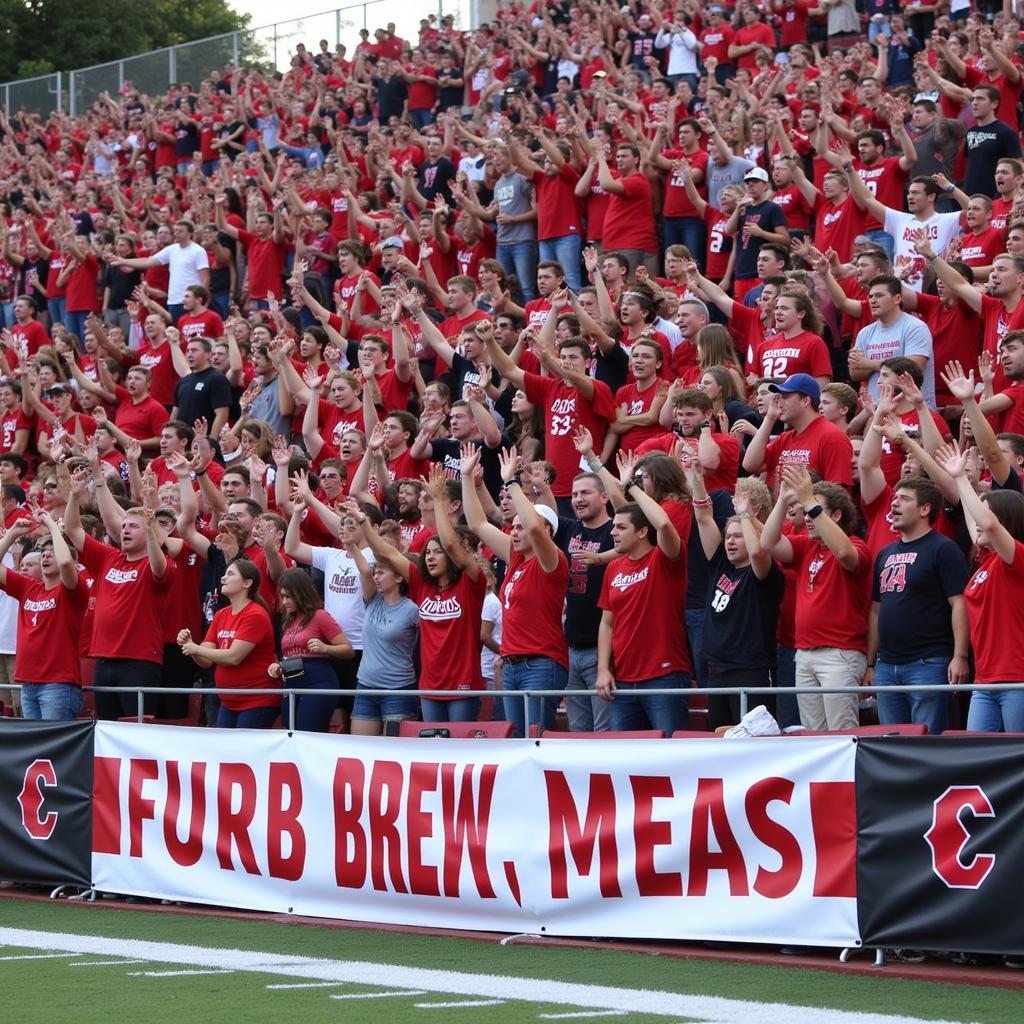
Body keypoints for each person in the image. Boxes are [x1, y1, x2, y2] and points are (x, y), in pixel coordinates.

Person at [359, 466, 486, 723]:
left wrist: (438, 499)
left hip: (462, 686)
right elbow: (388, 554)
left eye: (436, 552)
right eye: (427, 553)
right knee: (433, 752)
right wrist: (363, 524)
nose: (430, 557)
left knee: (457, 752)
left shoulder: (470, 582)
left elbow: (450, 542)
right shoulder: (421, 584)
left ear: (451, 557)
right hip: (428, 686)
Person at [462, 444, 568, 737]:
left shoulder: (552, 561)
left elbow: (534, 529)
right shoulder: (516, 558)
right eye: (514, 527)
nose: (515, 532)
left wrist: (511, 483)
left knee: (533, 742)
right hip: (511, 665)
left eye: (521, 527)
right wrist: (466, 477)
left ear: (548, 532)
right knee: (516, 743)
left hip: (541, 664)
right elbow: (477, 523)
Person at [761, 465, 872, 731]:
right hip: (805, 653)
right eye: (807, 510)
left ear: (836, 515)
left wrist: (810, 500)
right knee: (814, 737)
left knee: (841, 736)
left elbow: (845, 553)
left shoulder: (856, 545)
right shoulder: (807, 546)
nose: (807, 517)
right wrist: (783, 500)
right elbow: (768, 543)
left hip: (839, 654)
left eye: (813, 511)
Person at [64, 470, 174, 721]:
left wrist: (150, 531)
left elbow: (159, 568)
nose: (125, 530)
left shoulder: (159, 563)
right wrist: (73, 494)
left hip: (139, 662)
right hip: (103, 660)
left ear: (147, 531)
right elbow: (72, 528)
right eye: (123, 526)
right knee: (107, 729)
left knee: (138, 730)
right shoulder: (107, 557)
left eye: (133, 526)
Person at [686, 450, 784, 730]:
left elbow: (758, 551)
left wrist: (743, 517)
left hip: (751, 671)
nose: (729, 542)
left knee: (753, 741)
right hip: (717, 670)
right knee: (720, 738)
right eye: (728, 536)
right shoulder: (720, 564)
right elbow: (704, 519)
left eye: (737, 537)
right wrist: (697, 480)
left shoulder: (763, 572)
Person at [866, 476, 969, 735]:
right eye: (894, 498)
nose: (894, 504)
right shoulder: (885, 554)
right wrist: (870, 663)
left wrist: (960, 656)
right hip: (887, 665)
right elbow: (876, 610)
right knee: (892, 746)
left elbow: (960, 604)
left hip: (928, 662)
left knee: (928, 744)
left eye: (904, 499)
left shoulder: (943, 549)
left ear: (925, 509)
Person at [935, 440, 1024, 732]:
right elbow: (980, 523)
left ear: (1003, 519)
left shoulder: (1017, 557)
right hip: (984, 680)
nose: (977, 523)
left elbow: (989, 525)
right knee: (977, 759)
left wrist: (961, 478)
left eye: (986, 514)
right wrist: (960, 480)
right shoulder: (987, 559)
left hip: (1017, 680)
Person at [595, 459, 690, 733]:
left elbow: (664, 524)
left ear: (642, 532)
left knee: (669, 757)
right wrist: (603, 668)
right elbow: (607, 622)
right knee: (624, 762)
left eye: (621, 527)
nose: (612, 532)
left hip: (664, 675)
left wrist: (632, 487)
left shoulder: (666, 558)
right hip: (622, 679)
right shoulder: (614, 567)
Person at [0, 509, 88, 720]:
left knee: (56, 749)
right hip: (28, 684)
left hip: (58, 685)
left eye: (52, 552)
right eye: (43, 553)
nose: (46, 555)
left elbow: (66, 563)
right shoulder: (28, 587)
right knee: (37, 750)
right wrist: (12, 533)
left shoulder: (73, 591)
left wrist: (51, 527)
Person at [177, 559, 280, 729]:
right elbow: (206, 660)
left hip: (257, 700)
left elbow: (233, 657)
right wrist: (191, 648)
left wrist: (196, 648)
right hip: (229, 701)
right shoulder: (221, 614)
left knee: (244, 753)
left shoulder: (255, 614)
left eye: (230, 574)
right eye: (224, 574)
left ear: (247, 583)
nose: (223, 578)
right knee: (227, 753)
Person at [346, 512, 420, 736]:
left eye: (382, 573)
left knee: (394, 754)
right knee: (360, 752)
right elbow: (365, 571)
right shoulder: (372, 600)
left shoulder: (412, 609)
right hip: (365, 687)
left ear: (399, 577)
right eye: (375, 573)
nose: (376, 577)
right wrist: (351, 544)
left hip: (398, 690)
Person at [269, 567, 353, 732]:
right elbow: (290, 653)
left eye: (288, 596)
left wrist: (325, 648)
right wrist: (279, 665)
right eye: (282, 597)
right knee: (290, 730)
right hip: (292, 682)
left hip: (318, 681)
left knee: (308, 730)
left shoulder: (319, 616)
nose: (284, 602)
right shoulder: (289, 619)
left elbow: (348, 650)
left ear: (301, 593)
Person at [743, 374, 854, 488]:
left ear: (805, 401)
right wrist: (769, 419)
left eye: (785, 396)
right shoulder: (785, 438)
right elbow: (750, 465)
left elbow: (838, 493)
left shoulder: (832, 437)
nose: (778, 403)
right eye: (778, 397)